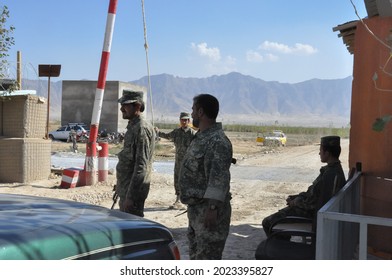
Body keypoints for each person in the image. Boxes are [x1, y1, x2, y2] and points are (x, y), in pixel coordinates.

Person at [178, 93, 233, 260]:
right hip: (196, 210)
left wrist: (212, 209)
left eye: (193, 110)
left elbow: (219, 178)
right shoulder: (201, 137)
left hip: (208, 211)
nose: (192, 114)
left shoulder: (217, 141)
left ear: (201, 112)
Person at [261, 135, 346, 237]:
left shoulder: (331, 175)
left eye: (321, 150)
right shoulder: (333, 170)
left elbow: (315, 204)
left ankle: (279, 248)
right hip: (310, 210)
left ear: (327, 153)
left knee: (267, 222)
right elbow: (314, 194)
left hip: (309, 214)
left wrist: (295, 202)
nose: (319, 153)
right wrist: (297, 197)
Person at [115, 90, 155, 217]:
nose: (121, 109)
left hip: (133, 194)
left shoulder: (141, 128)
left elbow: (141, 166)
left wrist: (131, 197)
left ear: (137, 106)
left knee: (131, 230)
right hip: (126, 189)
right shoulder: (133, 126)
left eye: (125, 105)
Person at [155, 112, 196, 209]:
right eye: (182, 120)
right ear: (180, 121)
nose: (184, 122)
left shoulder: (192, 133)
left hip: (188, 162)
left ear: (189, 121)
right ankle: (178, 199)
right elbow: (167, 136)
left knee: (187, 180)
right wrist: (157, 132)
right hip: (178, 162)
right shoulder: (177, 132)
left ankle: (187, 200)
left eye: (186, 120)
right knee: (177, 179)